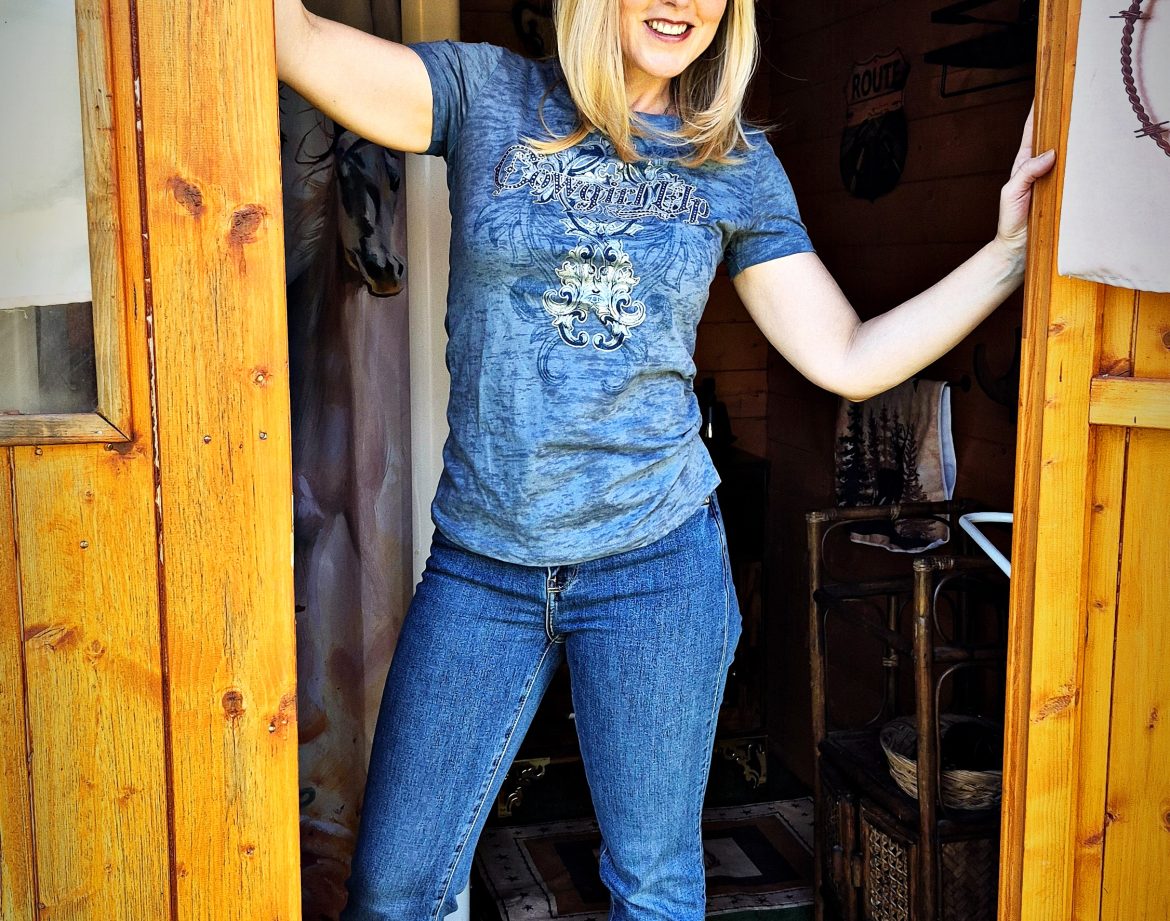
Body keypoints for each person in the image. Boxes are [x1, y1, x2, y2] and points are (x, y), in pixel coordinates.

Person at [275, 1, 1054, 918]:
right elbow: (294, 38)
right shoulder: (485, 93)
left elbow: (845, 354)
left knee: (653, 887)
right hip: (483, 566)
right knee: (395, 887)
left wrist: (1008, 256)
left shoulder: (731, 160)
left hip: (655, 565)